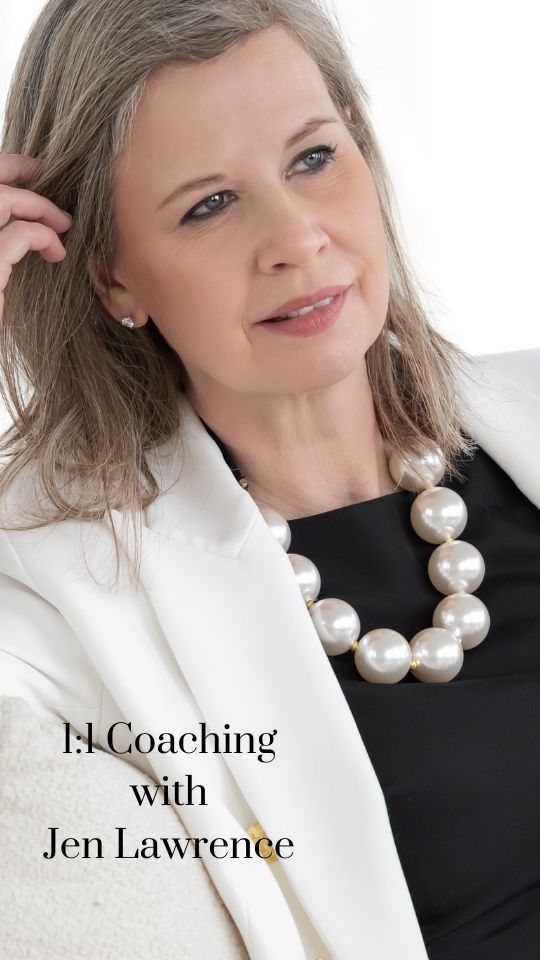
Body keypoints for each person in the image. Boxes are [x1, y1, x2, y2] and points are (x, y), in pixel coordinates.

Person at [0, 1, 539, 958]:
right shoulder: (57, 594)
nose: (296, 238)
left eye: (313, 157)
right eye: (208, 204)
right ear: (114, 278)